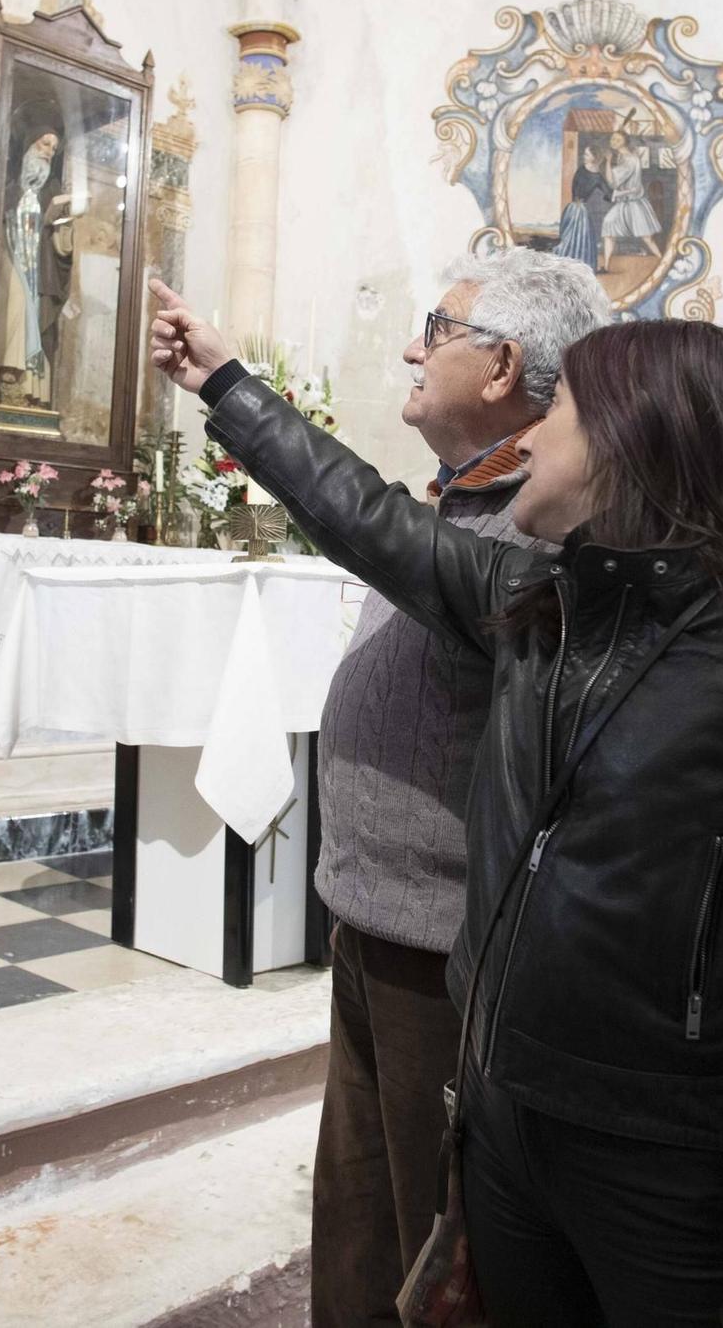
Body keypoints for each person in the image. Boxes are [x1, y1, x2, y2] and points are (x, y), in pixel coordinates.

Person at [148, 280, 723, 1326]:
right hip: (506, 1119)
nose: (527, 443)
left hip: (664, 1150)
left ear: (631, 441)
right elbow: (369, 517)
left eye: (556, 416)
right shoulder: (539, 602)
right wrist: (226, 385)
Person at [306, 249, 608, 1328]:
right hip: (369, 917)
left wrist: (222, 389)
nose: (409, 345)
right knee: (354, 1223)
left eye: (436, 327)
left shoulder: (534, 526)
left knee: (433, 1253)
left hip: (444, 948)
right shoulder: (455, 503)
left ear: (501, 367)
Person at [599, 131, 663, 273]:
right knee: (609, 229)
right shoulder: (622, 157)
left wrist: (608, 162)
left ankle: (664, 262)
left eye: (617, 139)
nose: (613, 141)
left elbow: (612, 182)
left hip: (635, 204)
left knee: (647, 237)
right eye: (612, 138)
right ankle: (606, 266)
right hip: (623, 204)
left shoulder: (630, 159)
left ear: (624, 141)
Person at [553, 147, 607, 271]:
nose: (584, 156)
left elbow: (608, 193)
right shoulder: (582, 170)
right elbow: (574, 187)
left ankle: (577, 263)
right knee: (569, 236)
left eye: (587, 154)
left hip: (580, 208)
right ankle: (568, 262)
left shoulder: (598, 176)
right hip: (575, 208)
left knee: (580, 237)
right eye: (584, 154)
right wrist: (576, 201)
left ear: (594, 157)